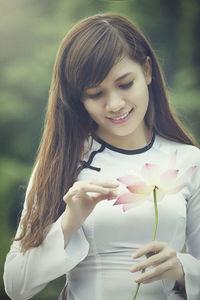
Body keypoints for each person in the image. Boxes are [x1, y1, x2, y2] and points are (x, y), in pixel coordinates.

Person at [3, 13, 200, 300]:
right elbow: (15, 284)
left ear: (147, 71)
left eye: (124, 84)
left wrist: (182, 269)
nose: (115, 104)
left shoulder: (189, 161)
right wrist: (69, 221)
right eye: (96, 94)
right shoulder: (62, 163)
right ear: (78, 100)